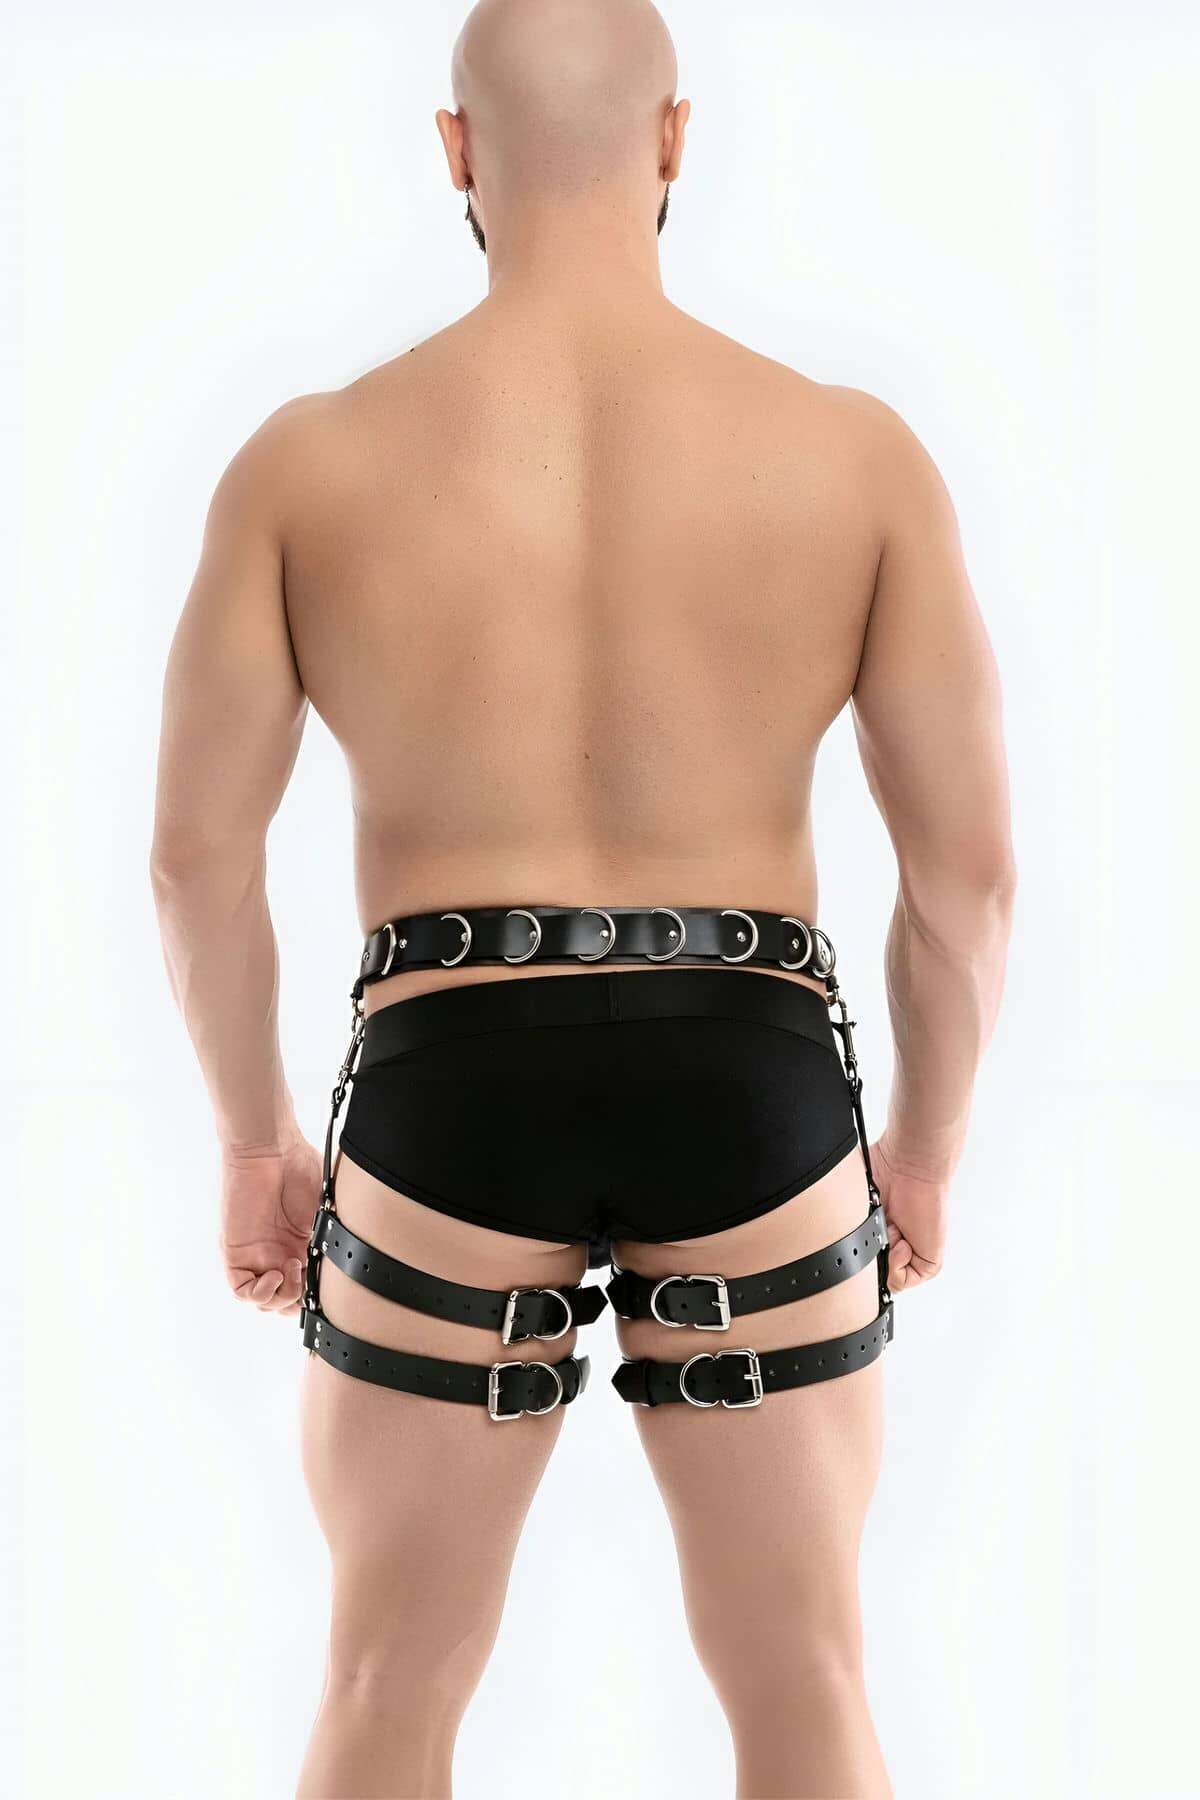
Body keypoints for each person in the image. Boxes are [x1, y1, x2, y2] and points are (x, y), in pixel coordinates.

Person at [150, 1, 1016, 1793]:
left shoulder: (309, 464)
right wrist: (923, 1152)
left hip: (450, 1073)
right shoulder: (854, 458)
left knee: (386, 1678)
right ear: (675, 138)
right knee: (806, 1675)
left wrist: (253, 1142)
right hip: (751, 1071)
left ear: (456, 150)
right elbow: (965, 880)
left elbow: (195, 858)